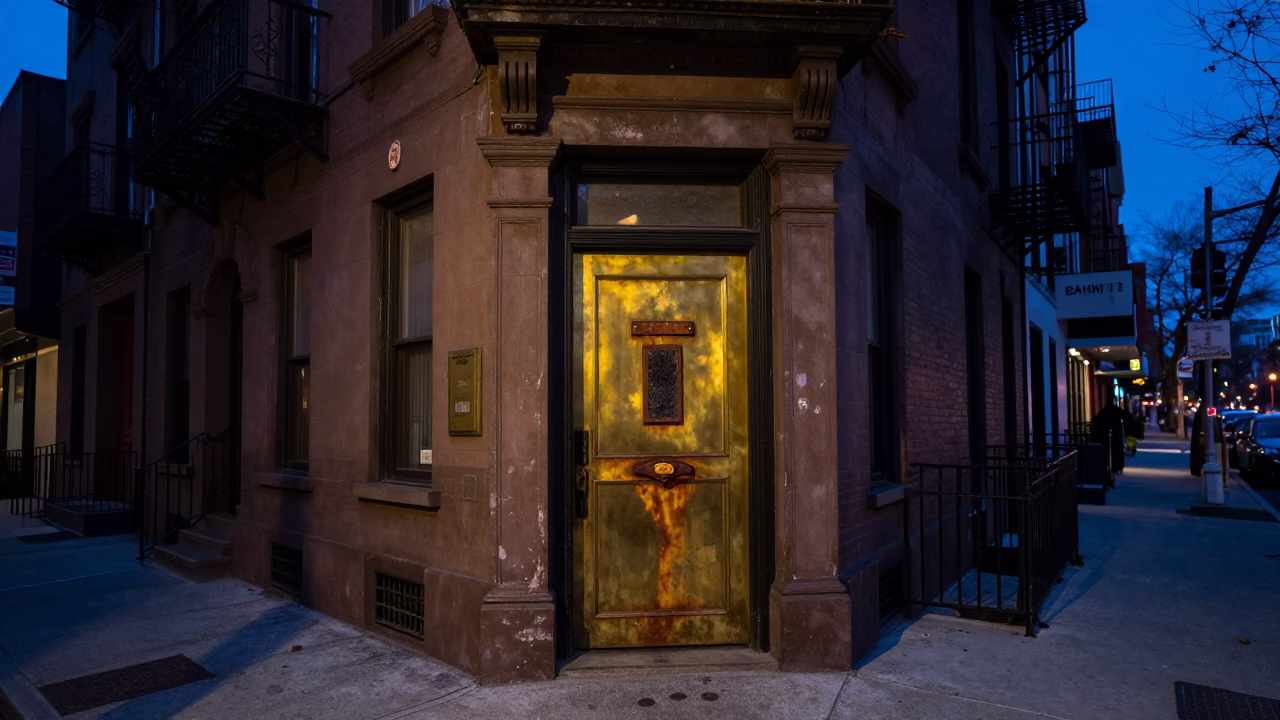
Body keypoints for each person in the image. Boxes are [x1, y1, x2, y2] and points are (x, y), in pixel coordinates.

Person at [1091, 395, 1127, 474]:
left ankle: (1107, 467)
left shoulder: (1103, 412)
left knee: (1106, 452)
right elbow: (1126, 417)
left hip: (1105, 436)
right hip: (1116, 436)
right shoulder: (1117, 410)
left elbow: (1096, 424)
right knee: (1116, 452)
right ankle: (1116, 467)